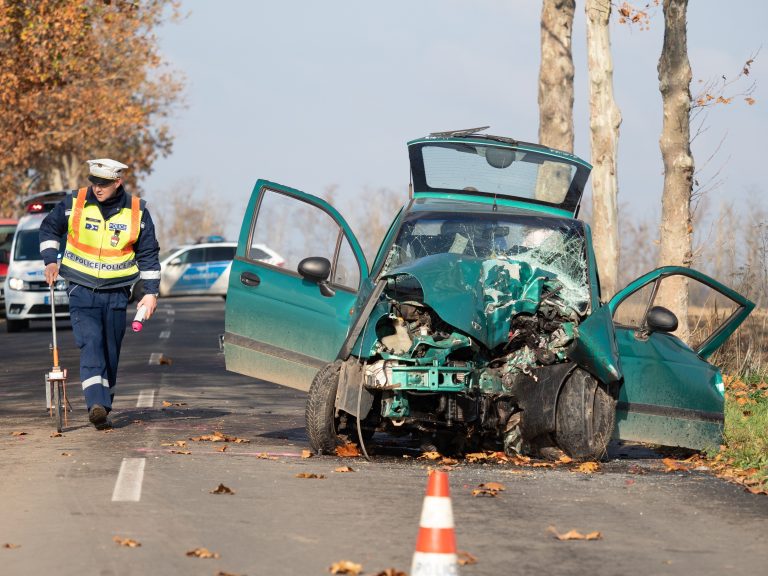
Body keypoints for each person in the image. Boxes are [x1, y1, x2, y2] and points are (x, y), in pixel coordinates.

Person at [39, 158, 161, 430]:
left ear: (118, 182)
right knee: (91, 343)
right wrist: (50, 259)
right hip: (81, 289)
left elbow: (149, 255)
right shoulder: (75, 202)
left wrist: (151, 293)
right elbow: (49, 228)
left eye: (104, 183)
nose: (97, 187)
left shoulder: (138, 212)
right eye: (94, 181)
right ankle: (95, 402)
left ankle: (104, 405)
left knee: (110, 351)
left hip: (117, 293)